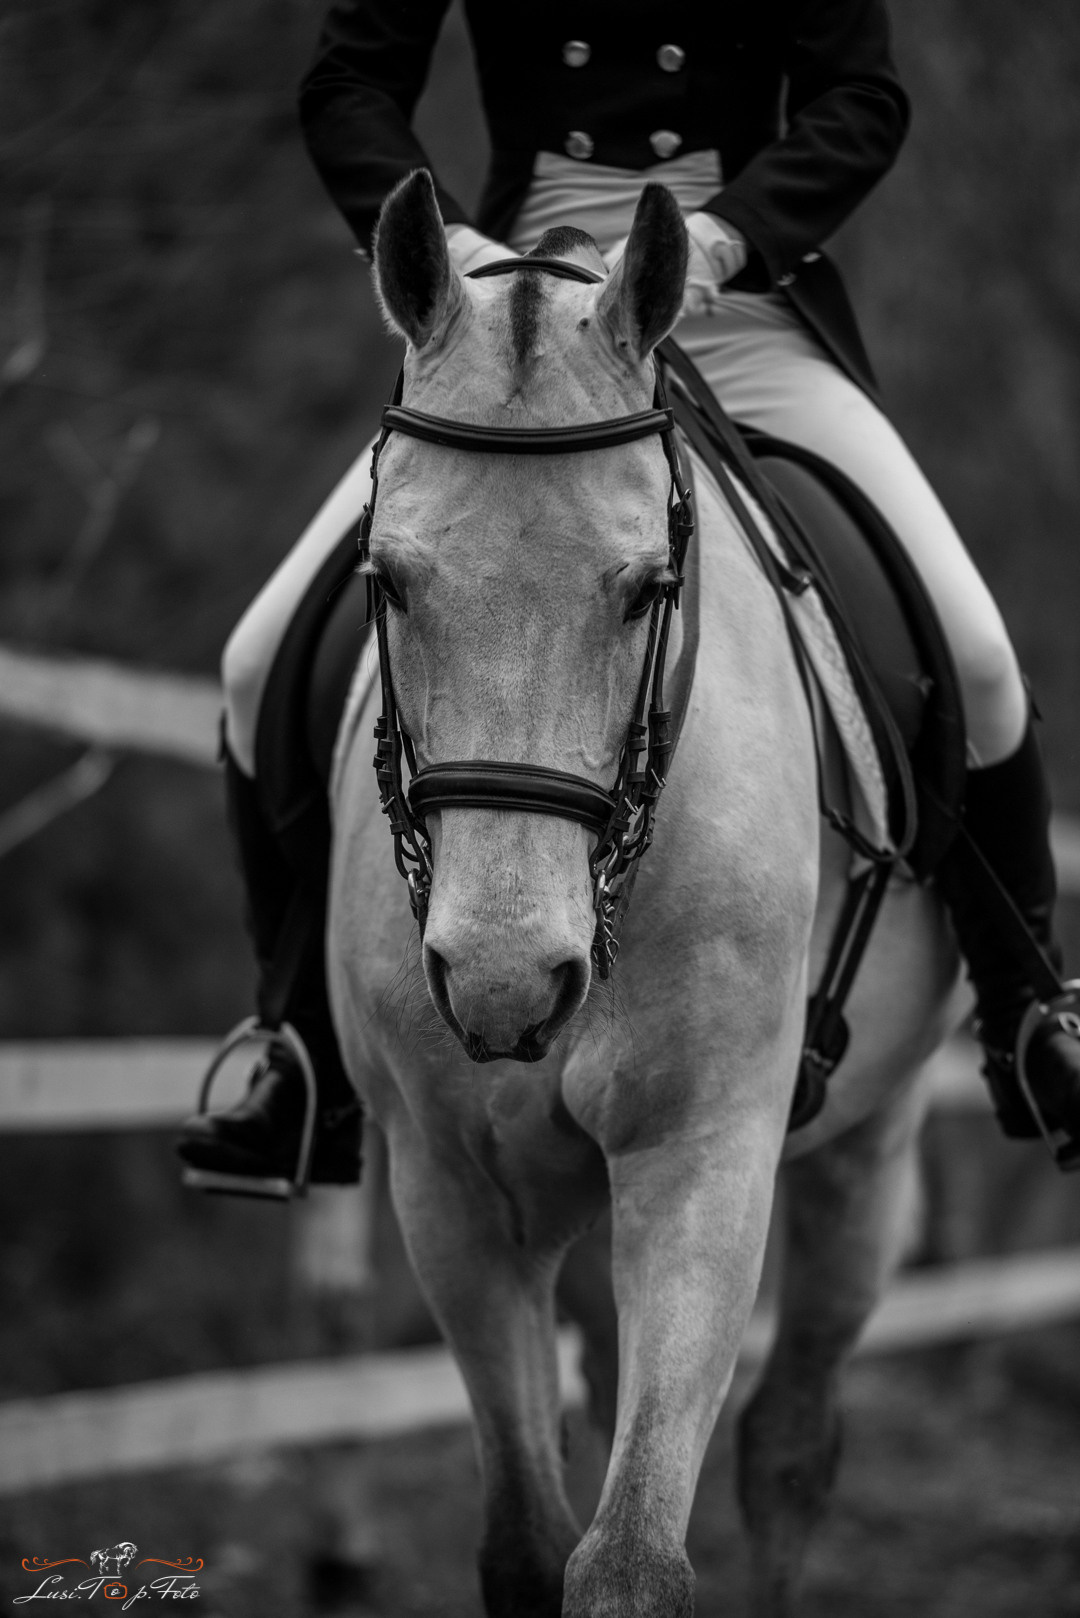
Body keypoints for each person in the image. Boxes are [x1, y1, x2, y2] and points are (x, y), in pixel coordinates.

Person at [177, 0, 1080, 1187]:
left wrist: (723, 238)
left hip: (731, 302)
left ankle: (1029, 1012)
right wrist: (445, 247)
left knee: (975, 652)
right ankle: (303, 1047)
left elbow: (864, 98)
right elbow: (350, 81)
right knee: (256, 661)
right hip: (502, 324)